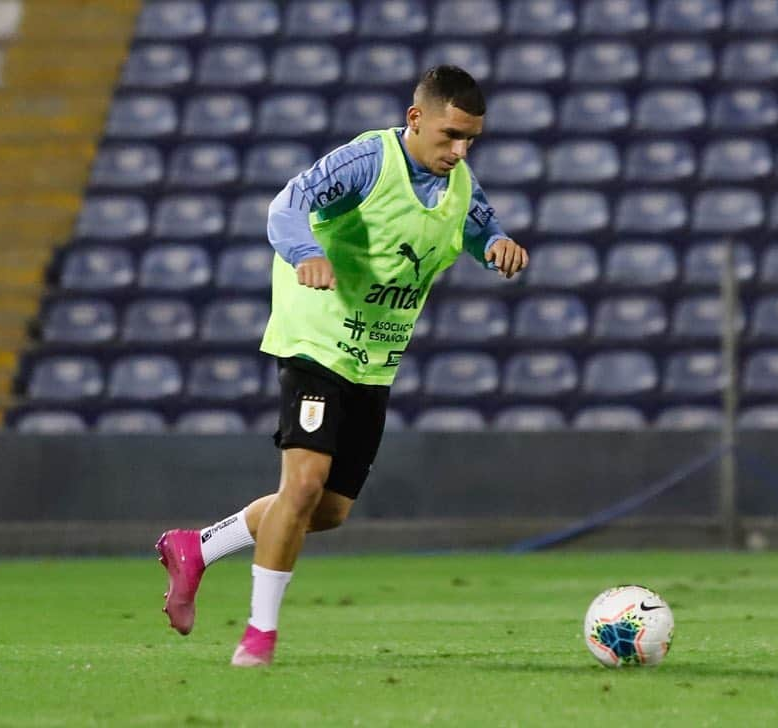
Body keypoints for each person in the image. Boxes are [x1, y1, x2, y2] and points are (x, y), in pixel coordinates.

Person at [154, 66, 529, 667]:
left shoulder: (458, 184)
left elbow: (481, 227)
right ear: (416, 118)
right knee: (300, 486)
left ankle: (195, 548)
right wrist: (306, 253)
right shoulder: (367, 163)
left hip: (375, 360)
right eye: (450, 135)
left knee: (325, 511)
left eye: (470, 140)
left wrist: (497, 248)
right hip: (317, 343)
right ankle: (258, 637)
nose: (459, 151)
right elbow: (287, 206)